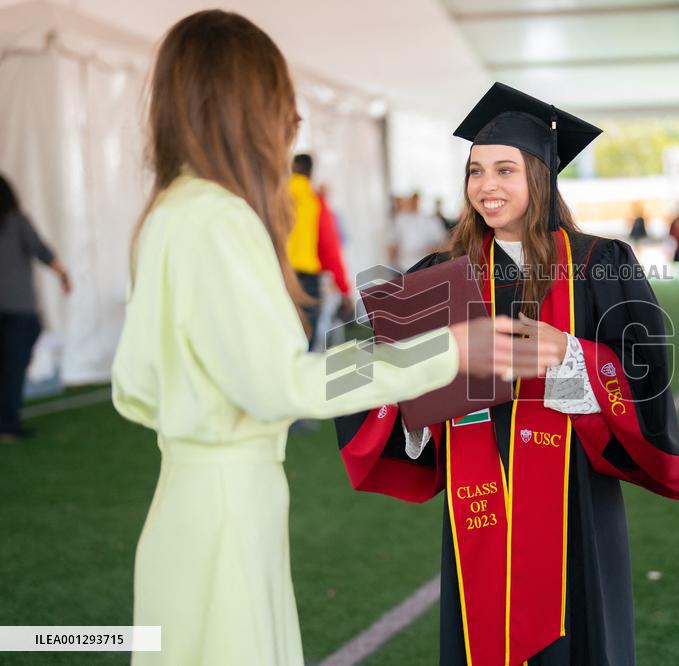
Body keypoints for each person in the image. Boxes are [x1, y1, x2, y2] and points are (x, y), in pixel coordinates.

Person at [110, 14, 558, 666]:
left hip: (186, 500)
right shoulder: (218, 218)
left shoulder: (170, 211)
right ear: (244, 104)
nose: (291, 118)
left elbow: (136, 384)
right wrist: (452, 350)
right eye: (277, 95)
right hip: (227, 510)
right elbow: (285, 385)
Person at [336, 83, 679, 666]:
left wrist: (572, 354)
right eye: (475, 171)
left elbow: (646, 379)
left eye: (504, 170)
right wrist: (417, 397)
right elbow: (364, 377)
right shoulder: (441, 273)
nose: (486, 187)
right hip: (480, 500)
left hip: (574, 502)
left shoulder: (601, 263)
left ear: (541, 177)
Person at [0, 173, 72, 443]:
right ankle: (7, 424)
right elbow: (42, 251)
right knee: (14, 367)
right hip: (18, 310)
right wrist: (63, 274)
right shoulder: (17, 222)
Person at [288, 153, 353, 348]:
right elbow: (329, 248)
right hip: (306, 280)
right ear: (310, 172)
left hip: (278, 273)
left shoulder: (274, 195)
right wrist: (344, 288)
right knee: (305, 341)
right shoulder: (314, 200)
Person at [389, 191, 450, 270]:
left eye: (416, 200)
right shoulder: (399, 220)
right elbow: (392, 247)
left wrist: (428, 249)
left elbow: (444, 244)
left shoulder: (431, 220)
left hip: (427, 266)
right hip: (404, 267)